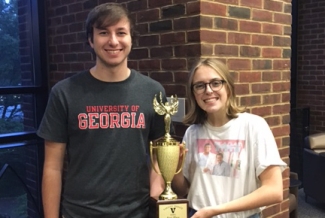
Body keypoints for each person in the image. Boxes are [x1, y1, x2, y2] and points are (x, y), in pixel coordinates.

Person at [37, 3, 167, 218]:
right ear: (91, 39)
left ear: (131, 39)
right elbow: (52, 167)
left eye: (121, 33)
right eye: (104, 32)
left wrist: (155, 199)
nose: (113, 41)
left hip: (136, 213)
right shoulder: (64, 93)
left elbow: (158, 156)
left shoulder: (153, 91)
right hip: (79, 213)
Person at [171, 58, 287, 218]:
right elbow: (182, 190)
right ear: (194, 94)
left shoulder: (253, 126)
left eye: (216, 83)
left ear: (228, 88)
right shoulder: (192, 132)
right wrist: (175, 167)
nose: (208, 90)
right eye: (200, 86)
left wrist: (215, 210)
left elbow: (274, 191)